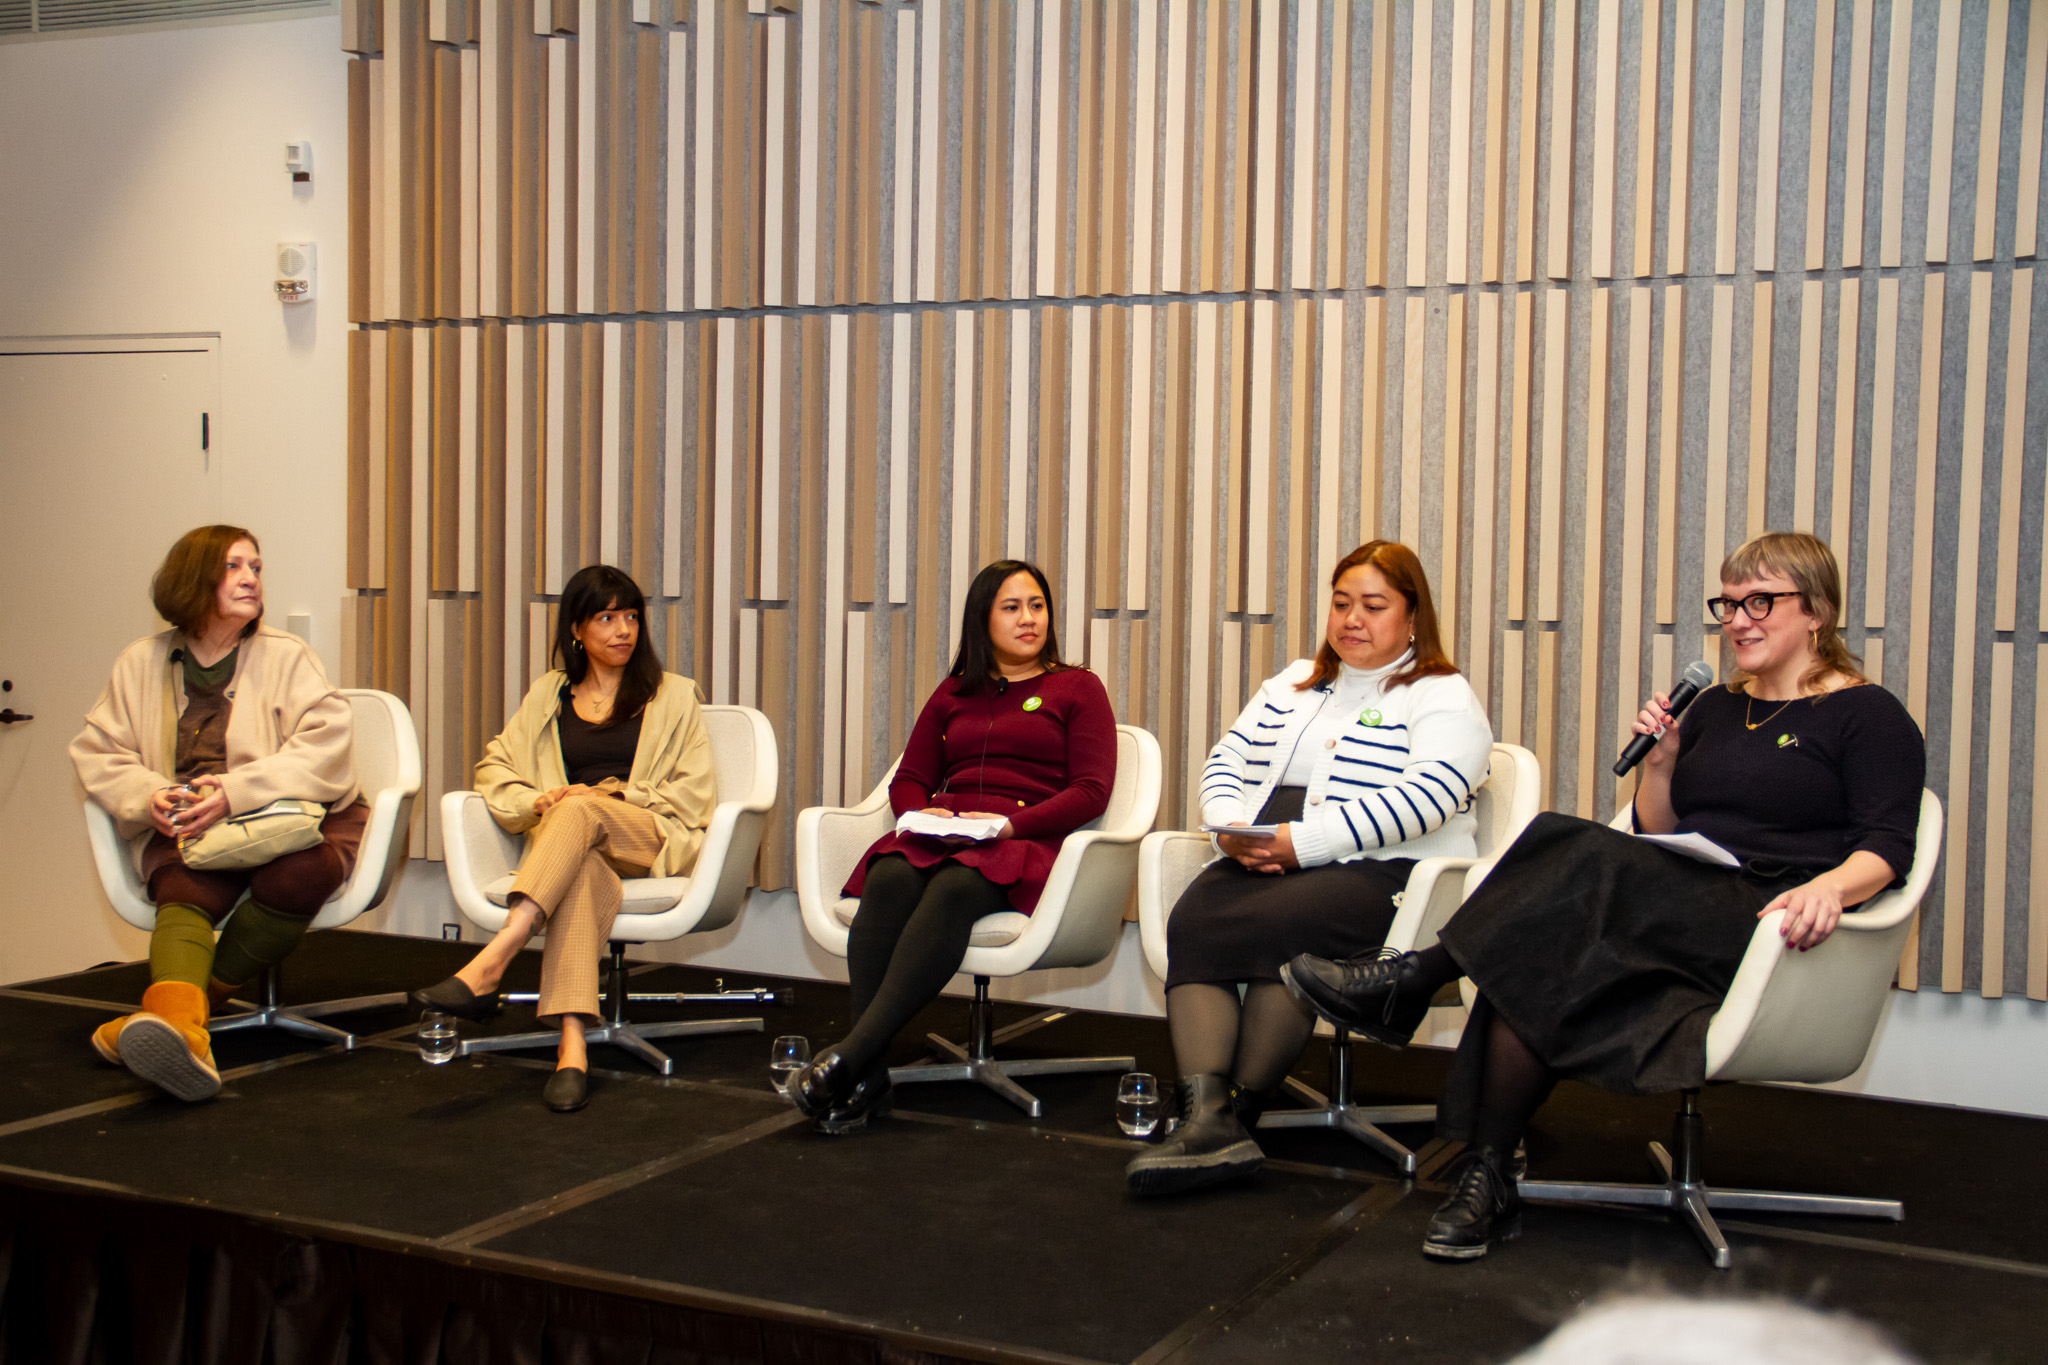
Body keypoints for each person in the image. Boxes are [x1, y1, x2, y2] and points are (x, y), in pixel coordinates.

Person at [1285, 532, 1925, 1260]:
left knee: (1562, 843)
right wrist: (1663, 763)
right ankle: (1488, 1171)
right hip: (1681, 895)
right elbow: (1656, 830)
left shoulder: (1867, 715)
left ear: (1817, 612)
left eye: (1761, 602)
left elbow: (1888, 848)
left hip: (1769, 919)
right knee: (1532, 957)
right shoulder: (1716, 707)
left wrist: (1828, 887)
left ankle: (1417, 975)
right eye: (1728, 603)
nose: (1738, 619)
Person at [1125, 541, 1493, 1195]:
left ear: (1412, 616)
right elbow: (1227, 758)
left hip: (1383, 871)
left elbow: (1427, 798)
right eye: (1342, 602)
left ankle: (1236, 1114)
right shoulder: (1293, 683)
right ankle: (1209, 1113)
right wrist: (1229, 828)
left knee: (1287, 925)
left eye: (1373, 605)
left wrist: (1307, 842)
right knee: (1196, 917)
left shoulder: (1441, 694)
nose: (1353, 618)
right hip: (1267, 852)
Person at [781, 560, 1117, 1134]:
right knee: (888, 878)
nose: (1028, 618)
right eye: (1011, 608)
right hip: (945, 833)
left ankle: (850, 1058)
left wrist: (1010, 826)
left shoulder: (1077, 687)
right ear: (982, 621)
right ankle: (867, 1075)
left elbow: (1091, 791)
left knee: (957, 887)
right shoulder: (955, 692)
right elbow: (909, 776)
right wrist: (919, 812)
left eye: (1036, 605)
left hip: (1019, 839)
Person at [72, 526, 364, 1103]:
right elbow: (98, 751)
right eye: (234, 567)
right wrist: (148, 794)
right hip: (190, 825)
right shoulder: (140, 662)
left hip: (293, 818)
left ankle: (176, 1019)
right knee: (182, 885)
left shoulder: (288, 655)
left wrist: (234, 792)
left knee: (299, 872)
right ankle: (185, 1033)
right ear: (195, 578)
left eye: (256, 566)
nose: (251, 578)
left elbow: (327, 747)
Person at [411, 565, 715, 1113]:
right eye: (606, 618)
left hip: (649, 836)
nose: (623, 630)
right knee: (577, 861)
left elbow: (695, 796)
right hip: (575, 849)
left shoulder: (673, 696)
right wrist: (538, 801)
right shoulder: (549, 694)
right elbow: (495, 769)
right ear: (577, 629)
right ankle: (571, 1049)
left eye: (631, 617)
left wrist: (610, 798)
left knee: (580, 809)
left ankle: (496, 956)